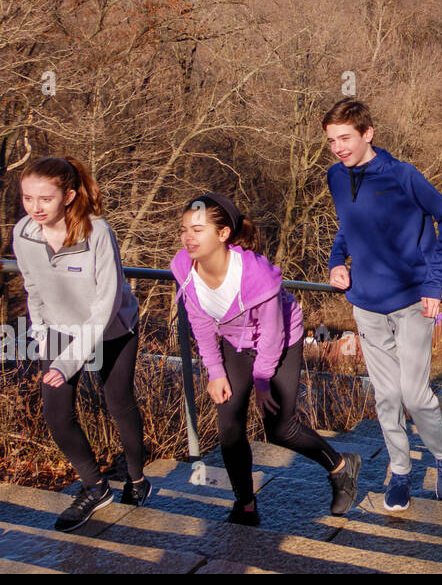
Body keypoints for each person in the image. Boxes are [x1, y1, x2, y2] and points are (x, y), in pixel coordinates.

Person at [171, 193, 361, 525]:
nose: (188, 237)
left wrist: (262, 382)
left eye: (198, 230)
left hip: (282, 340)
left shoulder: (254, 274)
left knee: (280, 428)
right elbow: (200, 323)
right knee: (229, 424)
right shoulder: (184, 268)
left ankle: (341, 465)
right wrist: (215, 371)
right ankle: (245, 503)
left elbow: (272, 333)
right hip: (237, 342)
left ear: (223, 234)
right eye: (185, 229)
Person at [323, 98, 442, 511]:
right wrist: (336, 263)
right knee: (386, 395)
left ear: (368, 134)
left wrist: (434, 284)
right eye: (331, 140)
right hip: (366, 305)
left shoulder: (403, 176)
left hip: (412, 302)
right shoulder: (336, 177)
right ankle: (400, 471)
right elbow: (347, 227)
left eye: (345, 138)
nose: (338, 147)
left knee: (415, 395)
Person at [13, 157, 149, 532]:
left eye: (45, 199)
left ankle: (137, 479)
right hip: (58, 328)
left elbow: (103, 306)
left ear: (68, 196)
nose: (35, 208)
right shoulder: (24, 233)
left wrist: (67, 362)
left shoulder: (97, 233)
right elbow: (33, 288)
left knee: (118, 402)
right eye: (27, 198)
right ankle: (95, 487)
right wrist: (41, 335)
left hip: (111, 328)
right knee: (56, 415)